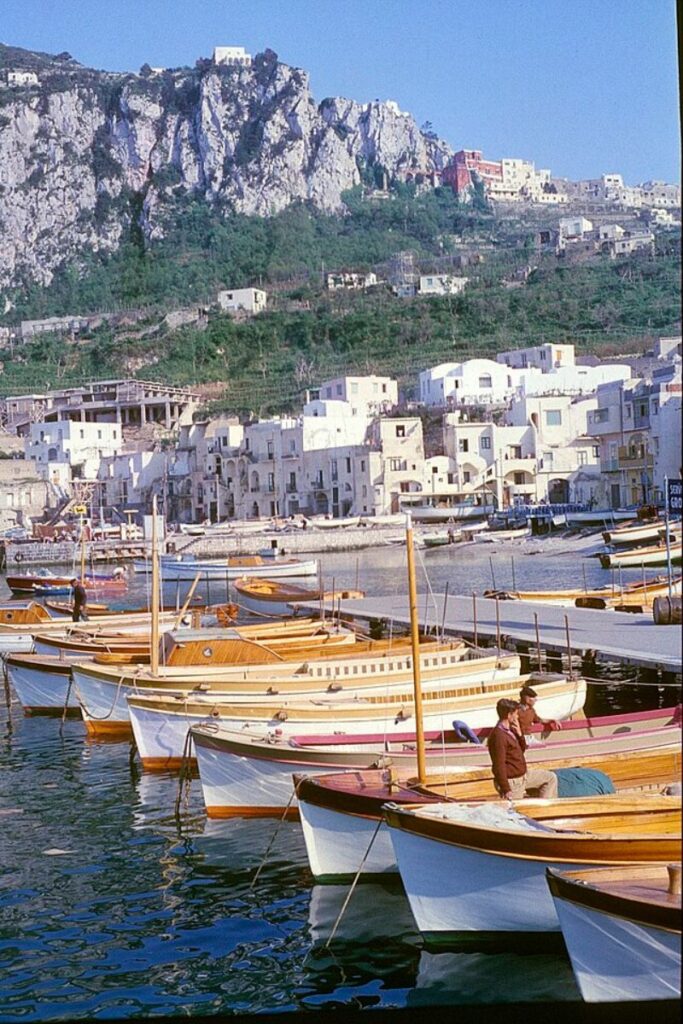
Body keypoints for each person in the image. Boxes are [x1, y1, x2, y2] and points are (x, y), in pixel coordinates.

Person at [487, 697, 558, 801]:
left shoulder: (511, 730)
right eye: (515, 713)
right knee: (516, 813)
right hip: (513, 782)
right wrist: (506, 789)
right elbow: (499, 765)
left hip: (523, 776)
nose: (517, 716)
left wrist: (519, 734)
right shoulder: (499, 736)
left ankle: (544, 809)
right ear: (509, 715)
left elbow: (522, 749)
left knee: (550, 778)